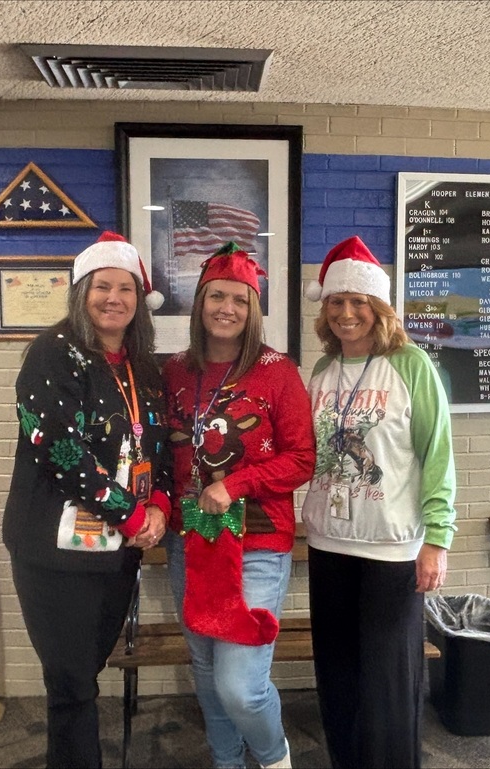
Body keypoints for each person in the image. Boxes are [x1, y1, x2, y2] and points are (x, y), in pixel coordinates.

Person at [2, 231, 172, 768]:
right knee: (72, 683)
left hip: (116, 551)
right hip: (55, 554)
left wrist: (161, 505)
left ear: (138, 300)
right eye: (102, 286)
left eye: (125, 288)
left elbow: (161, 446)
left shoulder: (143, 366)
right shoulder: (52, 352)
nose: (113, 298)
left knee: (87, 670)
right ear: (81, 292)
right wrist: (135, 513)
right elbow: (59, 450)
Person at [301, 235, 457, 769]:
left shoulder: (411, 365)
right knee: (338, 673)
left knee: (389, 683)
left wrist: (437, 539)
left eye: (358, 302)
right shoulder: (322, 373)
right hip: (328, 541)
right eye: (336, 302)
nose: (347, 314)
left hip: (391, 548)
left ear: (379, 307)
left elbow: (438, 454)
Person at [162, 242, 316, 769]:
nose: (227, 308)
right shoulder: (175, 371)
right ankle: (227, 761)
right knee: (206, 671)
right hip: (195, 539)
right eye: (216, 296)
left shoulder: (278, 371)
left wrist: (239, 483)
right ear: (200, 303)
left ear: (253, 309)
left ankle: (274, 759)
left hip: (257, 540)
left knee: (240, 686)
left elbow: (302, 460)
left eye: (240, 299)